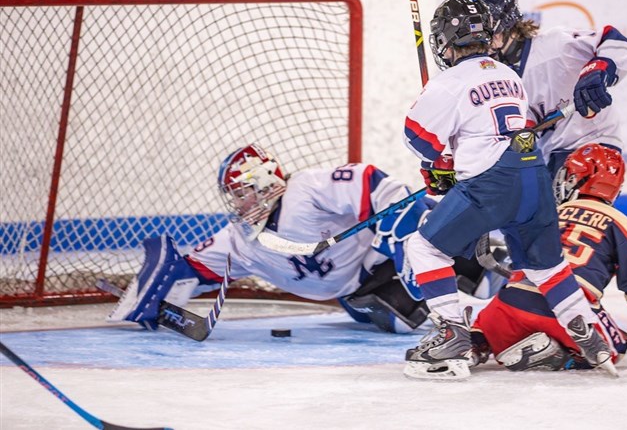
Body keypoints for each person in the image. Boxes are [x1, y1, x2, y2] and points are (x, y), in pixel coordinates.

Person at [402, 0, 615, 380]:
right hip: (533, 175)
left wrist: (440, 161)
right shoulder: (508, 74)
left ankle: (452, 335)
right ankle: (590, 337)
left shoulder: (448, 83)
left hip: (491, 184)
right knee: (546, 267)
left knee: (425, 247)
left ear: (446, 42)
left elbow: (420, 142)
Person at [471, 0, 627, 316]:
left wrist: (598, 72)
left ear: (509, 26)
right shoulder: (494, 74)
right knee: (549, 226)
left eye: (490, 32)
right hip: (551, 154)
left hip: (592, 147)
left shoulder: (554, 46)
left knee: (575, 223)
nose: (485, 42)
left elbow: (616, 41)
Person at [108, 143, 493, 335]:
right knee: (412, 322)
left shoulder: (305, 189)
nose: (238, 204)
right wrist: (154, 292)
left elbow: (376, 184)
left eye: (242, 192)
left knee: (441, 225)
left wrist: (403, 238)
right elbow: (187, 271)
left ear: (263, 181)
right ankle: (488, 314)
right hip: (363, 293)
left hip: (381, 255)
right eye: (234, 197)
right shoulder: (239, 241)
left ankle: (506, 276)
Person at [470, 144, 627, 372]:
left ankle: (474, 344)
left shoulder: (549, 212)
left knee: (485, 324)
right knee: (615, 349)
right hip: (567, 315)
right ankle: (555, 354)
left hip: (507, 307)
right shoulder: (624, 225)